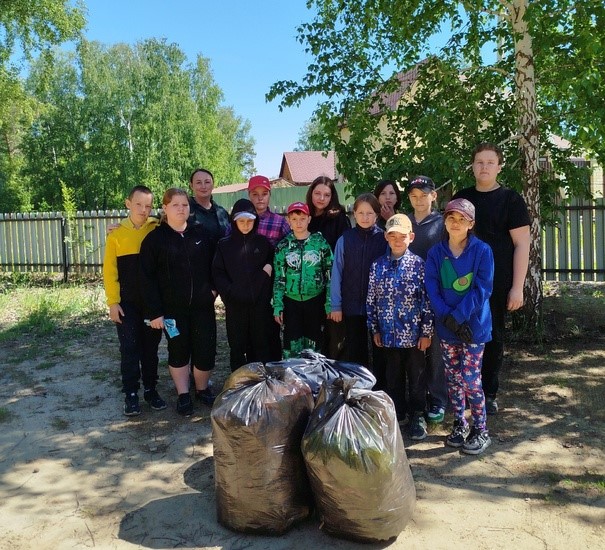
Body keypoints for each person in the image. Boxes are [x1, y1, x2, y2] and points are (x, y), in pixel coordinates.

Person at [453, 142, 531, 415]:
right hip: (461, 282)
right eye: (479, 162)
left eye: (490, 162)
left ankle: (489, 392)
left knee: (492, 336)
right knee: (460, 335)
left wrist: (517, 288)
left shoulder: (511, 200)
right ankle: (462, 390)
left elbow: (522, 244)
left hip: (497, 283)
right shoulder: (461, 199)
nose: (484, 167)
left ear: (499, 166)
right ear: (472, 166)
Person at [425, 198, 494, 455]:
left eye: (462, 219)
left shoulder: (482, 251)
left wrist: (461, 317)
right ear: (445, 221)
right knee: (453, 378)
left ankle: (481, 428)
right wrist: (447, 317)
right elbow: (432, 287)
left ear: (471, 224)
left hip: (473, 326)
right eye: (451, 218)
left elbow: (482, 288)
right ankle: (460, 424)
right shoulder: (436, 253)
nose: (456, 223)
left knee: (470, 379)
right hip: (447, 328)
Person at [140, 188, 217, 417]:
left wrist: (213, 290)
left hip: (203, 307)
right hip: (172, 310)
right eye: (175, 205)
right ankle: (183, 394)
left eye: (185, 205)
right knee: (179, 349)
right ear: (165, 208)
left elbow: (216, 264)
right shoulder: (155, 239)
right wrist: (155, 312)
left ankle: (202, 389)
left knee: (205, 350)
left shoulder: (201, 234)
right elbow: (147, 278)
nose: (181, 209)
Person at [366, 214, 433, 440]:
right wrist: (374, 328)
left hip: (414, 336)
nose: (396, 240)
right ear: (385, 236)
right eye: (392, 236)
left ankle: (417, 415)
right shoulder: (377, 266)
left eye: (402, 236)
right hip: (387, 335)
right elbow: (371, 300)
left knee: (416, 376)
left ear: (411, 237)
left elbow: (427, 301)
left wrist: (426, 331)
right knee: (392, 376)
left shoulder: (419, 265)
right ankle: (398, 413)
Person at [103, 185, 166, 416]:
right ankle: (131, 394)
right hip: (127, 304)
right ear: (128, 204)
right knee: (129, 348)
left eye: (148, 205)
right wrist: (112, 302)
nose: (143, 209)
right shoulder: (116, 235)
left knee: (151, 349)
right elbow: (110, 272)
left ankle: (151, 390)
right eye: (138, 204)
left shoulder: (156, 228)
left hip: (152, 305)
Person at [212, 199, 274, 371]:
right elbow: (218, 272)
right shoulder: (224, 245)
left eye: (249, 221)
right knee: (237, 347)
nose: (246, 225)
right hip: (235, 306)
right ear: (234, 222)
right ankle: (239, 385)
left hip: (260, 306)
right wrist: (230, 293)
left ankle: (260, 385)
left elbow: (271, 268)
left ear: (255, 221)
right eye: (241, 221)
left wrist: (265, 274)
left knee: (261, 344)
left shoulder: (263, 243)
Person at [406, 175, 448, 424]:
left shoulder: (442, 224)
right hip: (408, 299)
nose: (419, 200)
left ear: (434, 196)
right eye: (414, 196)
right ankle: (416, 398)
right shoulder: (403, 222)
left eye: (424, 195)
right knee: (414, 352)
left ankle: (438, 399)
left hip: (435, 295)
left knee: (434, 349)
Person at [330, 193, 387, 373]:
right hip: (352, 306)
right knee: (355, 351)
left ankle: (380, 389)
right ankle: (359, 390)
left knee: (380, 351)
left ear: (377, 215)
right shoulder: (345, 239)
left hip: (379, 308)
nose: (365, 217)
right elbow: (337, 272)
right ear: (354, 214)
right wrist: (336, 305)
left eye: (369, 213)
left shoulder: (384, 239)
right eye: (360, 213)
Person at [273, 201, 333, 358]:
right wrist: (278, 305)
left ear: (309, 219)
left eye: (302, 218)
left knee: (314, 343)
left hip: (315, 301)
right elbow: (279, 277)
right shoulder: (283, 246)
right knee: (292, 343)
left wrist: (328, 303)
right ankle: (292, 378)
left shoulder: (320, 244)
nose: (298, 223)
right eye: (294, 219)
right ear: (289, 221)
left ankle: (314, 378)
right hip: (291, 302)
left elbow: (329, 274)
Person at [306, 176, 351, 359]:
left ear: (332, 196)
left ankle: (334, 376)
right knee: (313, 334)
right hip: (309, 285)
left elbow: (345, 255)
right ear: (311, 194)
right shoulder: (305, 217)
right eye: (317, 193)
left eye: (326, 194)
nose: (321, 198)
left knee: (335, 336)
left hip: (332, 283)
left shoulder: (339, 218)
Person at [246, 174, 291, 247]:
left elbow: (291, 247)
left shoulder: (280, 222)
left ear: (270, 195)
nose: (260, 198)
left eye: (264, 194)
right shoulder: (241, 221)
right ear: (249, 195)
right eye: (255, 194)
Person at [188, 168, 230, 243]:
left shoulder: (222, 213)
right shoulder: (185, 211)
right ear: (191, 185)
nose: (203, 186)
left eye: (207, 182)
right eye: (198, 182)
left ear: (213, 185)